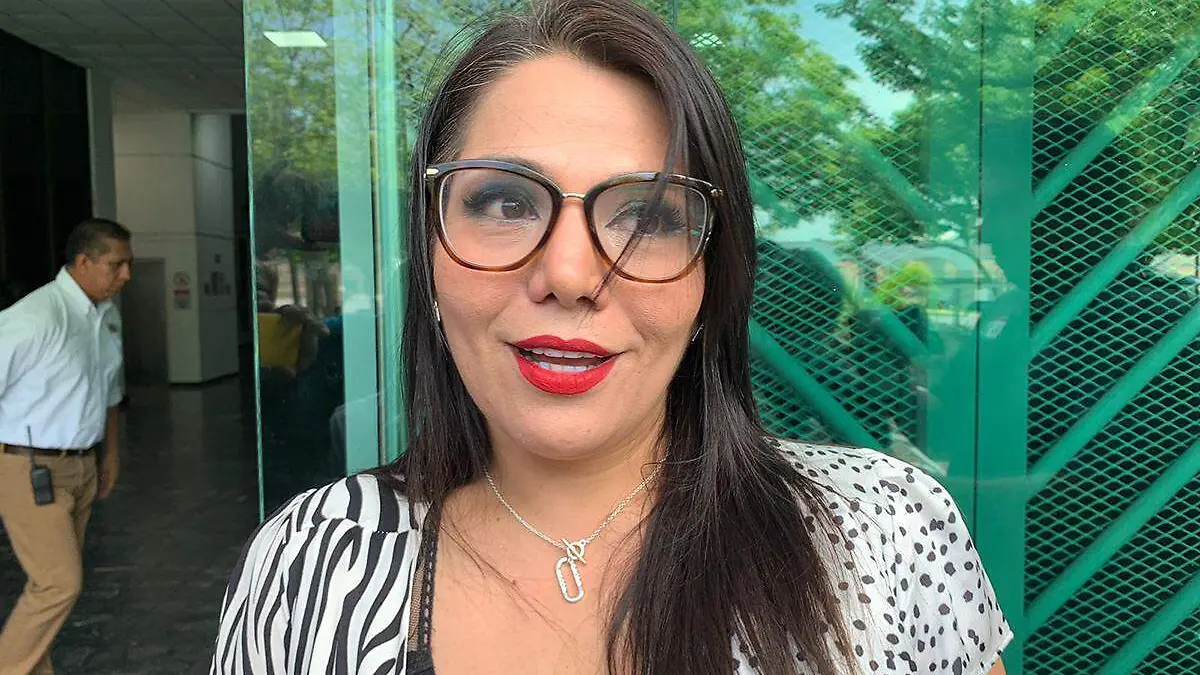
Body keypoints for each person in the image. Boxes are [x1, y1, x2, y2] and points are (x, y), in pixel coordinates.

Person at [210, 1, 1010, 673]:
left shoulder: (886, 535)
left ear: (711, 280)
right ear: (430, 253)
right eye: (504, 202)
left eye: (649, 216)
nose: (569, 273)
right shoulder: (309, 563)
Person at [0, 218, 132, 675]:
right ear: (83, 261)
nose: (126, 275)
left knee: (52, 587)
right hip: (28, 468)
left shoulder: (105, 316)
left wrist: (110, 454)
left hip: (82, 467)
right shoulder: (34, 317)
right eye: (116, 265)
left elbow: (110, 391)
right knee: (59, 584)